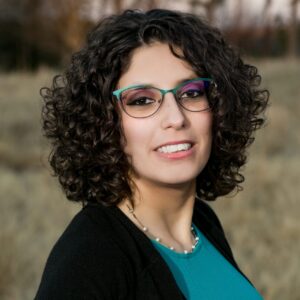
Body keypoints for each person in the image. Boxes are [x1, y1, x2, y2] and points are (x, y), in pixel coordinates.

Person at [34, 8, 269, 300]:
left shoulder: (203, 225)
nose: (176, 117)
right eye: (142, 100)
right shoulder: (91, 257)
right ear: (103, 122)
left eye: (192, 92)